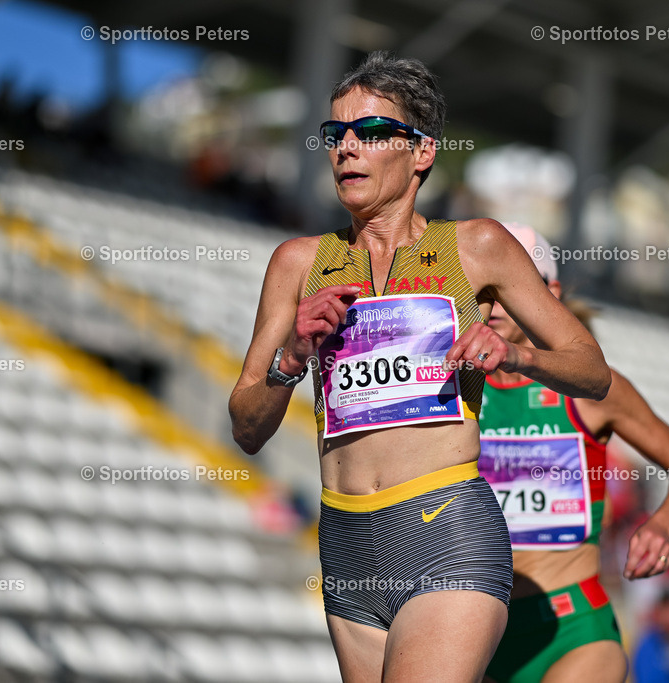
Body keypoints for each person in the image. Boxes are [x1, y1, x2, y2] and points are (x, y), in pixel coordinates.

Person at [229, 52, 611, 682]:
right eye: (336, 134)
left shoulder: (478, 245)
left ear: (423, 152)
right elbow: (246, 428)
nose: (346, 149)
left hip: (445, 529)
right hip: (345, 540)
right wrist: (293, 355)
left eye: (372, 133)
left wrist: (514, 353)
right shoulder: (298, 263)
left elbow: (591, 370)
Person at [478, 225, 669, 683]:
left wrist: (660, 527)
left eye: (512, 286)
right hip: (474, 630)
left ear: (550, 293)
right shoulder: (448, 383)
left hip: (574, 626)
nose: (497, 302)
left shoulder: (590, 391)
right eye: (485, 288)